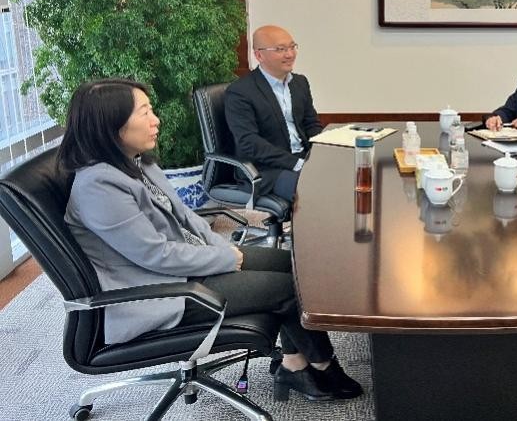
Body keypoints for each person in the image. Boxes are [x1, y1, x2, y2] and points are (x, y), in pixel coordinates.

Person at [58, 79, 361, 402]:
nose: (156, 120)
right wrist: (228, 259)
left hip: (185, 266)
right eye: (144, 112)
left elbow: (186, 218)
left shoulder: (136, 161)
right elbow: (156, 256)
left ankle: (294, 363)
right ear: (112, 124)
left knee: (294, 264)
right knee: (287, 288)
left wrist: (221, 248)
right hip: (159, 292)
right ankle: (323, 366)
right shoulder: (99, 187)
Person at [225, 25, 322, 201]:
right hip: (265, 168)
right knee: (315, 188)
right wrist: (297, 164)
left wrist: (323, 152)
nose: (290, 54)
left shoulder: (300, 83)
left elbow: (311, 124)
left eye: (292, 47)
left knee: (347, 175)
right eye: (280, 49)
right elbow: (249, 142)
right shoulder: (240, 92)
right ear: (259, 55)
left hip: (302, 157)